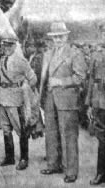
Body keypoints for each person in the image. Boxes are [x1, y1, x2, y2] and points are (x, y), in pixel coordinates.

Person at [39, 22, 87, 183]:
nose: (58, 39)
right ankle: (53, 164)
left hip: (67, 100)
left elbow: (80, 77)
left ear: (66, 36)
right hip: (50, 99)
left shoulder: (75, 54)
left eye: (61, 36)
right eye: (55, 37)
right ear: (51, 39)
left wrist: (60, 81)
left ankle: (71, 170)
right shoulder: (48, 53)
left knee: (69, 136)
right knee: (51, 134)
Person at [0, 37, 37, 171]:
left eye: (10, 46)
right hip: (3, 98)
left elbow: (33, 78)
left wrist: (25, 89)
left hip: (16, 99)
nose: (7, 48)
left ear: (15, 46)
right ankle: (9, 157)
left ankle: (24, 159)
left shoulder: (21, 61)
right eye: (5, 45)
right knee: (6, 128)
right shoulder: (2, 59)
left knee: (22, 130)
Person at [85, 24, 105, 185]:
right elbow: (91, 79)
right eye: (104, 32)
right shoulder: (96, 55)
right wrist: (89, 103)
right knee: (102, 138)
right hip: (100, 101)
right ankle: (101, 173)